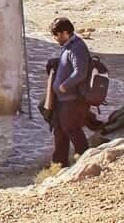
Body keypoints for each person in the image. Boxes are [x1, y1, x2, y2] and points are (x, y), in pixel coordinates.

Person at [49, 17, 91, 166]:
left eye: (57, 35)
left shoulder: (77, 47)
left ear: (66, 32)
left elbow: (81, 72)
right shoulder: (68, 46)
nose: (55, 38)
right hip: (63, 100)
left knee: (72, 130)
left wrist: (63, 86)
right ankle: (59, 164)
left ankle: (86, 162)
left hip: (72, 100)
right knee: (59, 131)